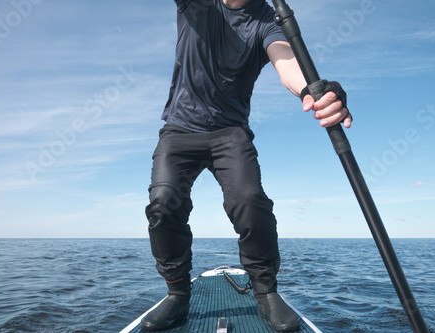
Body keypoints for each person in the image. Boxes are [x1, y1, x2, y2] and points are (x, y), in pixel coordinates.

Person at [141, 0, 351, 331]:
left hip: (230, 132)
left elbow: (286, 61)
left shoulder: (266, 18)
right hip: (181, 128)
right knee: (163, 202)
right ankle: (177, 293)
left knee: (249, 200)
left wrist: (315, 90)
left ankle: (266, 292)